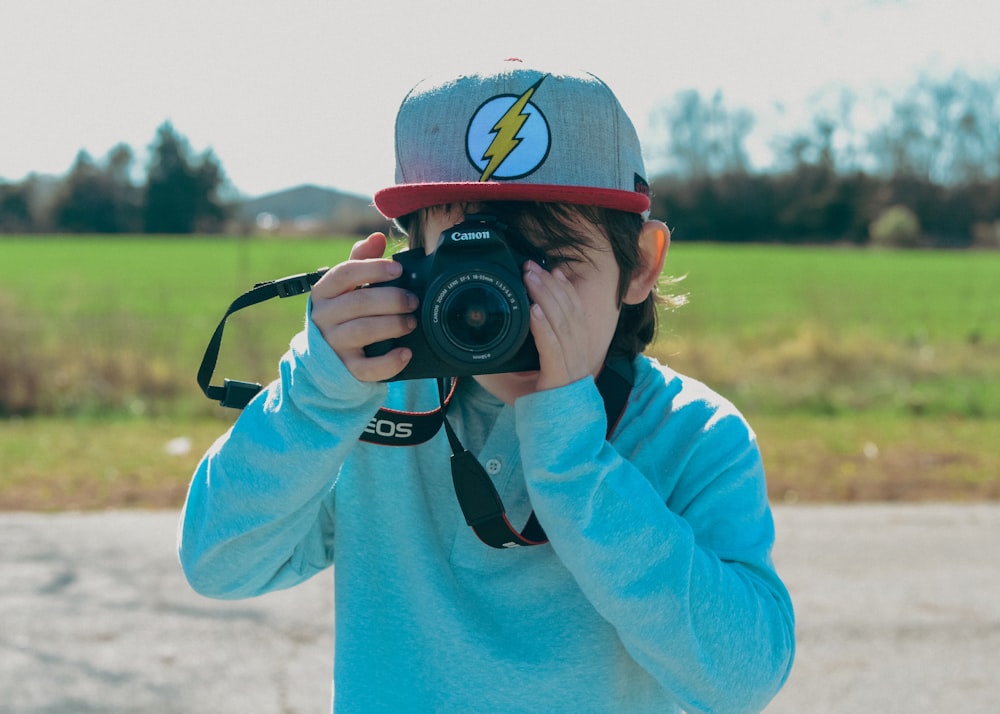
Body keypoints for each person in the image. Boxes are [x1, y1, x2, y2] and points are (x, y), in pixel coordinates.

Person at [178, 58, 795, 713]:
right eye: (470, 262)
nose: (507, 303)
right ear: (407, 259)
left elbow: (744, 678)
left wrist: (574, 463)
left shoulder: (694, 434)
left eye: (552, 265)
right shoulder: (366, 407)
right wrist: (317, 393)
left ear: (640, 265)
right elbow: (220, 564)